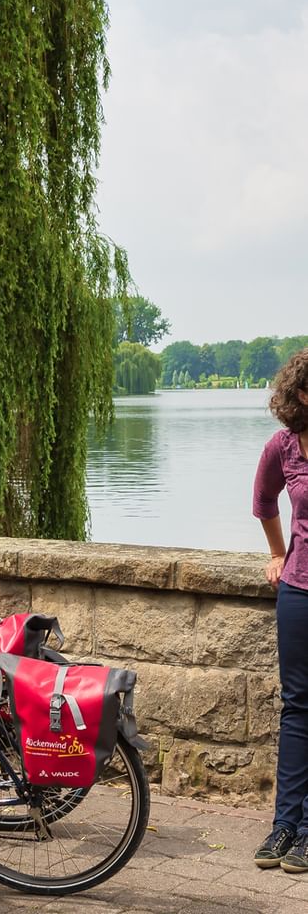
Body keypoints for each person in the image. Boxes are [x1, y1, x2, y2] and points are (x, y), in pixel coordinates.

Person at [253, 348, 308, 873]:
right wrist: (277, 553)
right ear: (303, 395)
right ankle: (284, 825)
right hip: (298, 590)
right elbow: (264, 502)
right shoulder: (283, 446)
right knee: (297, 708)